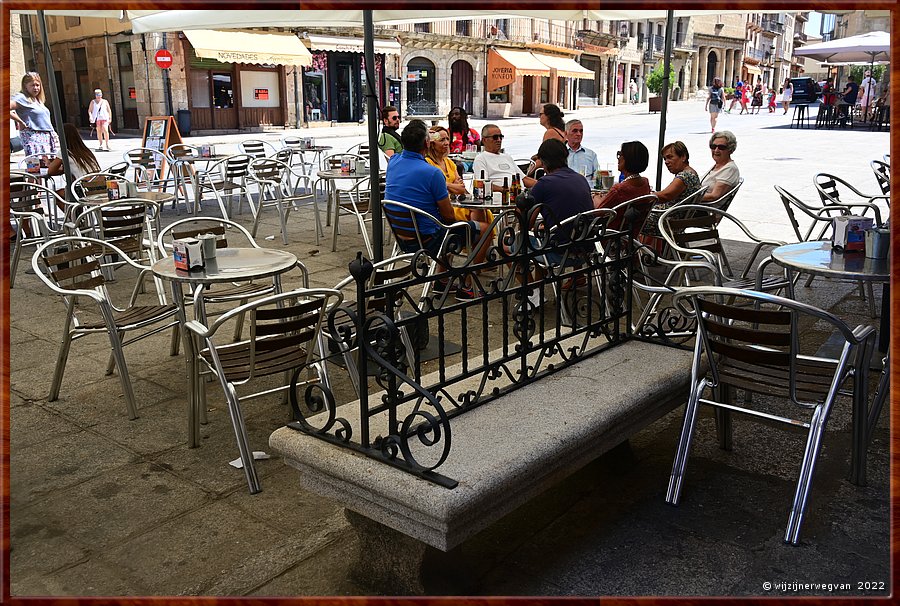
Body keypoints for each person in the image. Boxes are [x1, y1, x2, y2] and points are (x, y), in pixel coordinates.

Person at [385, 120, 491, 300]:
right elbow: (449, 216)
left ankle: (441, 281)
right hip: (427, 240)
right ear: (427, 143)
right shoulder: (432, 173)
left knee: (452, 226)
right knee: (485, 228)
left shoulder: (394, 162)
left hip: (402, 237)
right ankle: (466, 286)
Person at [425, 125, 491, 226]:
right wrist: (451, 185)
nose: (447, 143)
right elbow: (437, 188)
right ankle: (477, 237)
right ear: (432, 143)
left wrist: (448, 186)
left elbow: (461, 189)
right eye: (442, 140)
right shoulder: (428, 163)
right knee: (478, 211)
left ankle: (478, 237)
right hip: (444, 208)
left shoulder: (450, 163)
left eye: (447, 139)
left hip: (456, 202)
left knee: (482, 209)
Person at [641, 141, 701, 238]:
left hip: (665, 221)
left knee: (625, 219)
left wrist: (642, 195)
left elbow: (665, 195)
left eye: (670, 157)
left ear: (683, 157)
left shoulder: (685, 176)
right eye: (665, 159)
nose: (666, 162)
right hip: (671, 220)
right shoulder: (691, 173)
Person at [472, 124, 537, 195]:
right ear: (484, 140)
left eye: (501, 137)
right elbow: (482, 184)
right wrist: (506, 190)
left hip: (521, 195)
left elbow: (524, 179)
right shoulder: (481, 159)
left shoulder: (507, 157)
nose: (499, 140)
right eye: (495, 137)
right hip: (501, 197)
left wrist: (544, 184)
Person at [46, 123, 101, 201]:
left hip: (85, 188)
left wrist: (48, 164)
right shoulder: (85, 150)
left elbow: (50, 171)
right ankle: (77, 212)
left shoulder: (64, 152)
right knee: (72, 191)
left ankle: (73, 213)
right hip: (99, 185)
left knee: (57, 195)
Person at [10, 71, 59, 157]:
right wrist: (20, 121)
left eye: (38, 85)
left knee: (49, 166)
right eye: (32, 85)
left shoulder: (37, 100)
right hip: (33, 136)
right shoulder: (22, 98)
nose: (36, 88)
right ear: (25, 86)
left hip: (47, 136)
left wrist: (53, 134)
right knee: (37, 166)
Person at [594, 141, 651, 210]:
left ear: (628, 159)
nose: (618, 159)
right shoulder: (645, 182)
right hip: (635, 220)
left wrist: (595, 197)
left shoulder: (619, 189)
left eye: (620, 154)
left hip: (615, 220)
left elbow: (600, 211)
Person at [700, 130, 740, 206]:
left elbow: (714, 196)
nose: (716, 150)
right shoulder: (717, 166)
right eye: (713, 146)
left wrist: (687, 198)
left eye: (721, 147)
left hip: (704, 211)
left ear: (730, 150)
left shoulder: (730, 169)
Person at [564, 119, 598, 185]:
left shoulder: (591, 155)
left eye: (581, 131)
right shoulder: (559, 154)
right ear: (566, 134)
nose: (579, 134)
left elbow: (597, 177)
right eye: (575, 131)